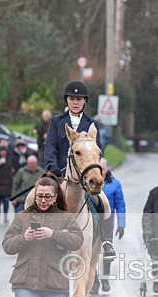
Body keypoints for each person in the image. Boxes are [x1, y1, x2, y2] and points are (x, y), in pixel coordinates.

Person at [44, 80, 116, 260]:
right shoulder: (56, 121)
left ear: (84, 101)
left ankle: (106, 241)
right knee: (34, 198)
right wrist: (52, 166)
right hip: (59, 173)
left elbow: (97, 149)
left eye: (79, 99)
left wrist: (92, 169)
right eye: (72, 99)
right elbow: (50, 146)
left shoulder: (92, 124)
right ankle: (31, 236)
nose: (75, 102)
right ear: (67, 100)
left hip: (84, 176)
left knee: (105, 203)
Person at [91, 158, 126, 293]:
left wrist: (121, 225)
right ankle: (94, 281)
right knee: (91, 251)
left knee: (107, 250)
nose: (100, 172)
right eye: (98, 169)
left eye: (102, 169)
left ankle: (105, 278)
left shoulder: (115, 184)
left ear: (107, 169)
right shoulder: (89, 182)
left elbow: (120, 205)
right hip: (92, 219)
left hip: (108, 220)